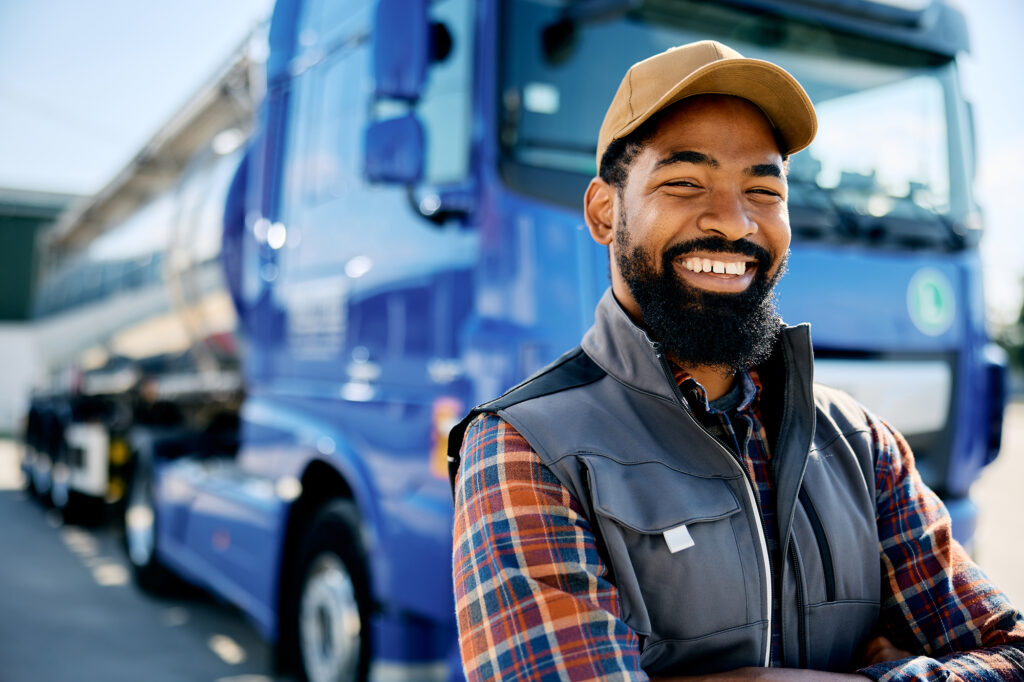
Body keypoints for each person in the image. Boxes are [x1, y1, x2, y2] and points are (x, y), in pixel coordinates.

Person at [448, 40, 1024, 681]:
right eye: (685, 182)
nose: (732, 221)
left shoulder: (863, 445)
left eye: (762, 188)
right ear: (604, 211)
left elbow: (1015, 654)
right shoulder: (524, 447)